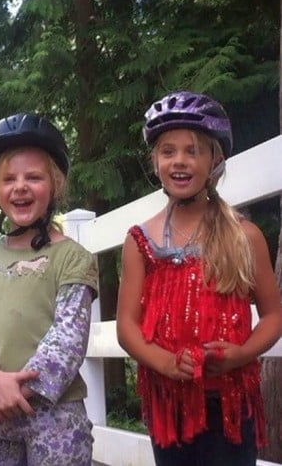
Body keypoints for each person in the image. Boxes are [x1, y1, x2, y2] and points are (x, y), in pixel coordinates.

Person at [116, 90, 282, 466]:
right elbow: (127, 326)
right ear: (154, 161)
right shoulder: (141, 241)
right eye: (168, 151)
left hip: (231, 404)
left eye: (193, 151)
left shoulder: (244, 235)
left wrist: (241, 353)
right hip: (170, 406)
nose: (180, 161)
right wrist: (164, 362)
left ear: (214, 160)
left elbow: (273, 315)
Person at [0, 112, 99, 466]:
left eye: (34, 177)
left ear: (55, 184)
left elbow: (66, 345)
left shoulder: (73, 258)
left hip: (55, 417)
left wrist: (4, 397)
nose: (20, 186)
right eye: (8, 178)